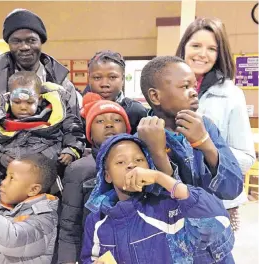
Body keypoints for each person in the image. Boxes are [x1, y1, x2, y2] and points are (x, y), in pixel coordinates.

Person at [139, 56, 243, 263]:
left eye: (194, 85)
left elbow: (233, 188)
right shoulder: (143, 137)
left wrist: (205, 143)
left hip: (215, 248)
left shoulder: (206, 127)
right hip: (169, 250)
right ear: (155, 96)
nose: (194, 91)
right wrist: (158, 153)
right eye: (184, 86)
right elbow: (162, 202)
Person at [81, 134, 234, 264]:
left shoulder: (170, 205)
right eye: (120, 162)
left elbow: (219, 221)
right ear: (106, 175)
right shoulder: (96, 221)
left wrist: (160, 177)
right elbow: (90, 258)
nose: (131, 165)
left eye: (139, 160)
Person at [176, 17, 255, 231]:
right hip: (173, 198)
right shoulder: (168, 88)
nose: (202, 54)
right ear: (183, 47)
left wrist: (207, 145)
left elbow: (247, 158)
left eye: (212, 48)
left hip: (218, 202)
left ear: (220, 54)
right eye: (196, 45)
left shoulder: (231, 95)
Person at [0, 71, 84, 203]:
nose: (23, 107)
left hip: (47, 180)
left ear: (39, 99)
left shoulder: (57, 112)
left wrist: (71, 149)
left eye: (30, 102)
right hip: (9, 179)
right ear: (8, 98)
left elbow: (73, 131)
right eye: (17, 102)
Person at [58, 93, 131, 264]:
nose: (109, 124)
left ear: (127, 128)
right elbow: (70, 226)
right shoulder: (79, 170)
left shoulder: (141, 163)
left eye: (117, 120)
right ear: (89, 131)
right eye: (100, 121)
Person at [85, 50, 147, 134]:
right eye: (97, 78)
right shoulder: (82, 111)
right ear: (89, 79)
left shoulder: (136, 111)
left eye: (112, 77)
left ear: (122, 79)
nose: (104, 84)